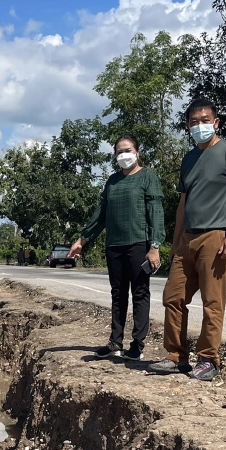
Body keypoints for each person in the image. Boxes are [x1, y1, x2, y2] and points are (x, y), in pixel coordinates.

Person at [147, 99, 226, 381]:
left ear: (216, 123)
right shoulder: (189, 158)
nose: (199, 125)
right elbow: (183, 203)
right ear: (187, 126)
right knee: (173, 297)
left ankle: (208, 359)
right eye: (194, 122)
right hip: (187, 239)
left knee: (212, 301)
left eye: (205, 120)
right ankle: (175, 356)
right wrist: (176, 241)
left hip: (215, 236)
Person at [68, 135, 164, 361]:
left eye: (128, 150)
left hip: (139, 244)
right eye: (119, 152)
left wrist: (155, 246)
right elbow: (100, 215)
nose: (124, 155)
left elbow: (156, 214)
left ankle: (137, 346)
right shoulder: (111, 182)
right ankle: (115, 342)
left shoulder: (148, 177)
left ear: (137, 152)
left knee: (139, 293)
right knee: (118, 294)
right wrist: (82, 240)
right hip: (114, 245)